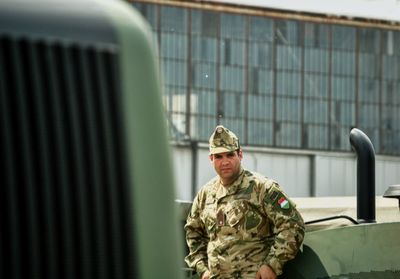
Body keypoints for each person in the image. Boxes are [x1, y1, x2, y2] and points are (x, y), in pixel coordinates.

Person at [184, 125, 305, 279]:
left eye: (230, 155)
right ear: (211, 159)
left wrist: (272, 264)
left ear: (240, 155)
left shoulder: (263, 188)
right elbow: (193, 231)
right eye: (219, 157)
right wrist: (203, 269)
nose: (225, 162)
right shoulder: (205, 194)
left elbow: (293, 225)